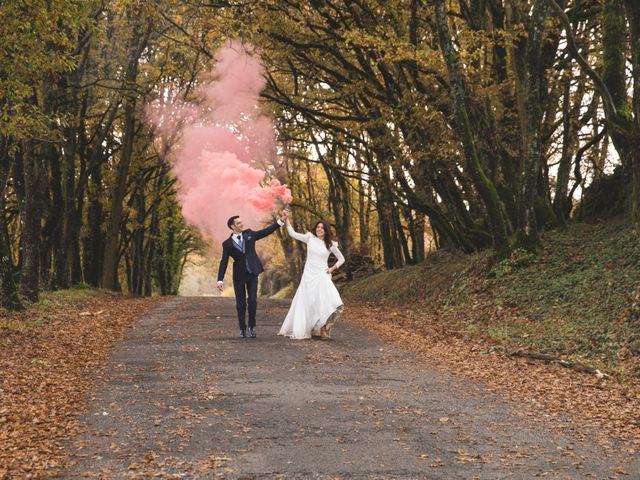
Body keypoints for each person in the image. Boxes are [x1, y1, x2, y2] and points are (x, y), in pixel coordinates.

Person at [217, 211, 287, 338]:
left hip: (252, 272)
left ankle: (252, 327)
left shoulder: (249, 234)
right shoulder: (226, 244)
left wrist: (280, 221)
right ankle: (242, 328)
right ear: (232, 226)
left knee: (253, 300)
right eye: (238, 223)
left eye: (241, 222)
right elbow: (224, 262)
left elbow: (265, 232)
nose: (241, 224)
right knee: (240, 304)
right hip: (238, 276)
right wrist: (220, 280)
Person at [278, 215, 345, 340]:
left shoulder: (330, 244)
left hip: (322, 275)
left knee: (335, 303)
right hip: (309, 276)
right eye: (318, 227)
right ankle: (316, 329)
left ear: (326, 231)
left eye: (322, 228)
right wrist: (287, 220)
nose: (319, 229)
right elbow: (293, 234)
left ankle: (325, 327)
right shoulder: (310, 238)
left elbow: (342, 259)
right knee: (311, 303)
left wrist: (331, 269)